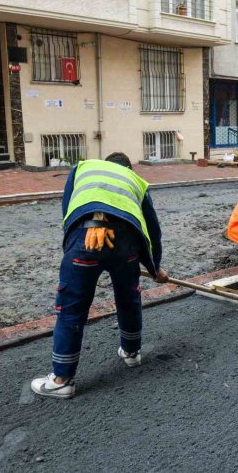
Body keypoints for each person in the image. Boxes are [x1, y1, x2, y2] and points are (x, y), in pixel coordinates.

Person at [30, 152, 167, 399]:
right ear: (129, 168)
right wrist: (154, 266)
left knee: (72, 308)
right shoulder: (136, 181)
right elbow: (151, 228)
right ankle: (132, 353)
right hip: (126, 244)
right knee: (128, 300)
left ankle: (62, 381)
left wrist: (73, 247)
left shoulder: (84, 168)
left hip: (85, 239)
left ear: (106, 162)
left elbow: (68, 208)